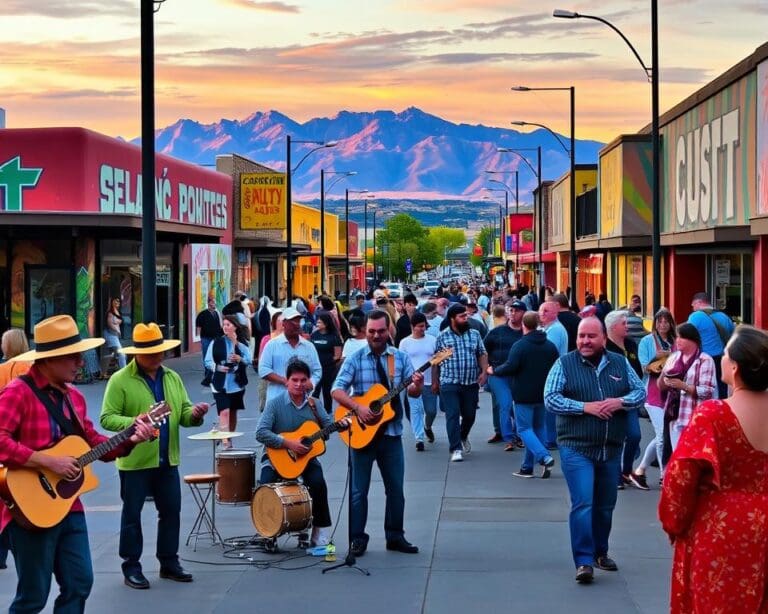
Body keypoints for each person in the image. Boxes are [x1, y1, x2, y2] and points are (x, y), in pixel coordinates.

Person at [0, 315, 154, 610]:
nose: (81, 363)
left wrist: (130, 438)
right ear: (50, 359)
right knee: (33, 596)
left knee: (80, 583)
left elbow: (93, 443)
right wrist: (46, 461)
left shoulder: (75, 398)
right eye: (74, 357)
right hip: (29, 509)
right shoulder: (18, 393)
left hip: (69, 505)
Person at [659, 325, 768, 613]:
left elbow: (680, 479)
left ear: (735, 366)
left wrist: (675, 524)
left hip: (721, 526)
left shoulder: (713, 415)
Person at [101, 322, 210, 589]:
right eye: (150, 352)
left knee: (171, 511)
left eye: (159, 351)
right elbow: (107, 418)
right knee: (132, 515)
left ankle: (169, 562)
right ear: (136, 353)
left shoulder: (171, 378)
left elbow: (183, 413)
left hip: (167, 458)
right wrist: (133, 421)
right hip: (135, 460)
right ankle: (131, 566)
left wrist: (194, 415)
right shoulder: (120, 380)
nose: (157, 357)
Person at [544, 317, 646, 584]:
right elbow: (551, 398)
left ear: (603, 338)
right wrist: (584, 407)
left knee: (605, 506)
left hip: (610, 447)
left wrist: (619, 402)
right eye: (581, 336)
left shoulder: (620, 362)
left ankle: (601, 552)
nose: (585, 341)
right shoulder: (564, 364)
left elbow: (640, 391)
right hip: (576, 446)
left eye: (591, 336)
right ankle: (584, 561)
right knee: (583, 503)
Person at [331, 309, 424, 556]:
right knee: (358, 491)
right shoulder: (355, 358)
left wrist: (417, 386)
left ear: (388, 330)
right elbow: (337, 390)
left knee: (395, 489)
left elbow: (412, 393)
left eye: (381, 331)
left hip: (391, 434)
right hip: (362, 436)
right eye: (371, 331)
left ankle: (395, 536)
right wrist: (358, 407)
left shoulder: (400, 358)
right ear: (366, 331)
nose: (376, 335)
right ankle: (357, 539)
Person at [256, 359, 348, 547]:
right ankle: (268, 532)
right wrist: (288, 443)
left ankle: (319, 532)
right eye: (294, 380)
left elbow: (327, 428)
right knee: (265, 485)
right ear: (287, 381)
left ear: (308, 382)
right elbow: (261, 432)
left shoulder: (314, 404)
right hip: (276, 457)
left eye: (303, 380)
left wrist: (340, 425)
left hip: (305, 458)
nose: (299, 384)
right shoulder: (274, 404)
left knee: (318, 483)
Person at [491, 311, 559, 478]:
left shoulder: (520, 345)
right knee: (538, 427)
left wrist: (494, 370)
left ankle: (544, 456)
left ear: (523, 325)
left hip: (523, 394)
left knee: (524, 429)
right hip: (543, 392)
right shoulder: (550, 346)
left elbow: (510, 366)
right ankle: (527, 466)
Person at [434, 303, 488, 462]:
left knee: (470, 415)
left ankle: (463, 436)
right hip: (449, 382)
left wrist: (484, 371)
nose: (466, 319)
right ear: (452, 319)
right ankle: (455, 448)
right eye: (462, 316)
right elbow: (436, 361)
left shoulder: (474, 334)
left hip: (470, 382)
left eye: (466, 316)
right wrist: (436, 382)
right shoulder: (443, 337)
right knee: (452, 414)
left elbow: (482, 353)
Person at [631, 308, 677, 489]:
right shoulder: (646, 341)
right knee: (661, 437)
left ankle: (640, 471)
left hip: (671, 393)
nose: (663, 325)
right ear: (655, 324)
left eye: (666, 321)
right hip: (653, 393)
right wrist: (655, 358)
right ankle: (664, 475)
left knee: (662, 435)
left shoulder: (675, 341)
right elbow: (643, 368)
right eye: (659, 321)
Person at [658, 322, 716, 461]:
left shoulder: (705, 360)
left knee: (694, 458)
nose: (677, 340)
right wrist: (664, 376)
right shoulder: (673, 357)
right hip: (674, 414)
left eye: (681, 337)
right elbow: (660, 386)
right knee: (678, 457)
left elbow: (707, 391)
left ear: (693, 340)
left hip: (695, 417)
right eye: (676, 337)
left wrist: (683, 386)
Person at [604, 310, 643, 489]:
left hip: (630, 399)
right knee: (615, 439)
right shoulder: (605, 347)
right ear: (612, 327)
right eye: (624, 324)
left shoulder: (630, 344)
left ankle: (626, 470)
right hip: (611, 399)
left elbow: (637, 368)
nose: (627, 327)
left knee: (634, 435)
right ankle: (616, 474)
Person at [204, 315, 251, 448]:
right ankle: (225, 442)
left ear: (235, 327)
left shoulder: (242, 343)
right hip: (219, 382)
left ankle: (229, 435)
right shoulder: (216, 342)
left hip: (236, 384)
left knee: (233, 411)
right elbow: (207, 361)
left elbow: (248, 359)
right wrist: (217, 367)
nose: (225, 327)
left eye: (228, 325)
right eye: (224, 324)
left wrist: (239, 356)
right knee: (224, 411)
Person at [483, 300, 524, 450]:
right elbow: (482, 350)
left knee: (519, 406)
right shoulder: (497, 332)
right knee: (505, 404)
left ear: (523, 313)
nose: (513, 314)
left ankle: (518, 434)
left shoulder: (526, 333)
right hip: (497, 375)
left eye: (517, 311)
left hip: (519, 375)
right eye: (511, 310)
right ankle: (508, 438)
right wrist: (485, 368)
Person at [259, 307, 322, 404]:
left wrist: (312, 382)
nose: (296, 325)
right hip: (277, 399)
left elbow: (317, 370)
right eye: (292, 321)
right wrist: (285, 381)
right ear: (283, 323)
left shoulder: (309, 346)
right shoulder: (272, 345)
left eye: (298, 321)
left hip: (302, 401)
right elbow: (263, 370)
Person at [399, 312, 437, 450]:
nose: (423, 329)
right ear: (413, 326)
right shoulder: (405, 342)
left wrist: (435, 381)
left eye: (424, 326)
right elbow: (401, 363)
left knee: (431, 411)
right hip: (412, 382)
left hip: (428, 381)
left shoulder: (432, 340)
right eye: (420, 326)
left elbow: (436, 363)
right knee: (416, 410)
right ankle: (419, 438)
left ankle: (427, 426)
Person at [687, 291, 735, 399]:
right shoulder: (724, 317)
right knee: (722, 389)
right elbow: (733, 337)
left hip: (704, 360)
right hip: (723, 359)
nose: (693, 308)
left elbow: (687, 336)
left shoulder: (695, 316)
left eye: (693, 305)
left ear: (699, 302)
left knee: (705, 390)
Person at [539, 300, 568, 449]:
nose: (542, 314)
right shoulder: (548, 328)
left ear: (555, 312)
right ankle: (549, 437)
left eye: (546, 311)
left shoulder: (555, 329)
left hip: (552, 372)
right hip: (550, 371)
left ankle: (551, 438)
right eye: (541, 310)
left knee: (549, 407)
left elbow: (547, 352)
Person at [309, 313, 343, 410]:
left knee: (327, 391)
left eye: (320, 322)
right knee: (314, 391)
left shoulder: (334, 337)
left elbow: (337, 355)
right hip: (315, 368)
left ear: (326, 324)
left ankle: (328, 413)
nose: (317, 324)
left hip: (328, 369)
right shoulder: (314, 335)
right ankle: (313, 412)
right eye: (317, 322)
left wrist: (327, 361)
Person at [195, 296, 223, 386]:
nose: (214, 304)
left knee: (215, 355)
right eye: (212, 302)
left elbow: (220, 326)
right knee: (206, 354)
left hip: (216, 338)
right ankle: (207, 372)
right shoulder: (202, 314)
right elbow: (198, 326)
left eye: (214, 302)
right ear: (209, 303)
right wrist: (200, 337)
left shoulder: (216, 314)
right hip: (206, 338)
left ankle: (213, 371)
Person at [103, 297, 127, 369]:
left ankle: (107, 369)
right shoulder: (110, 312)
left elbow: (118, 321)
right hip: (111, 335)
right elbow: (109, 324)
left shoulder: (117, 311)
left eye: (118, 301)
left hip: (115, 336)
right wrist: (117, 330)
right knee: (122, 354)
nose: (117, 303)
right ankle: (124, 370)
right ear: (112, 302)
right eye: (116, 301)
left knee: (117, 354)